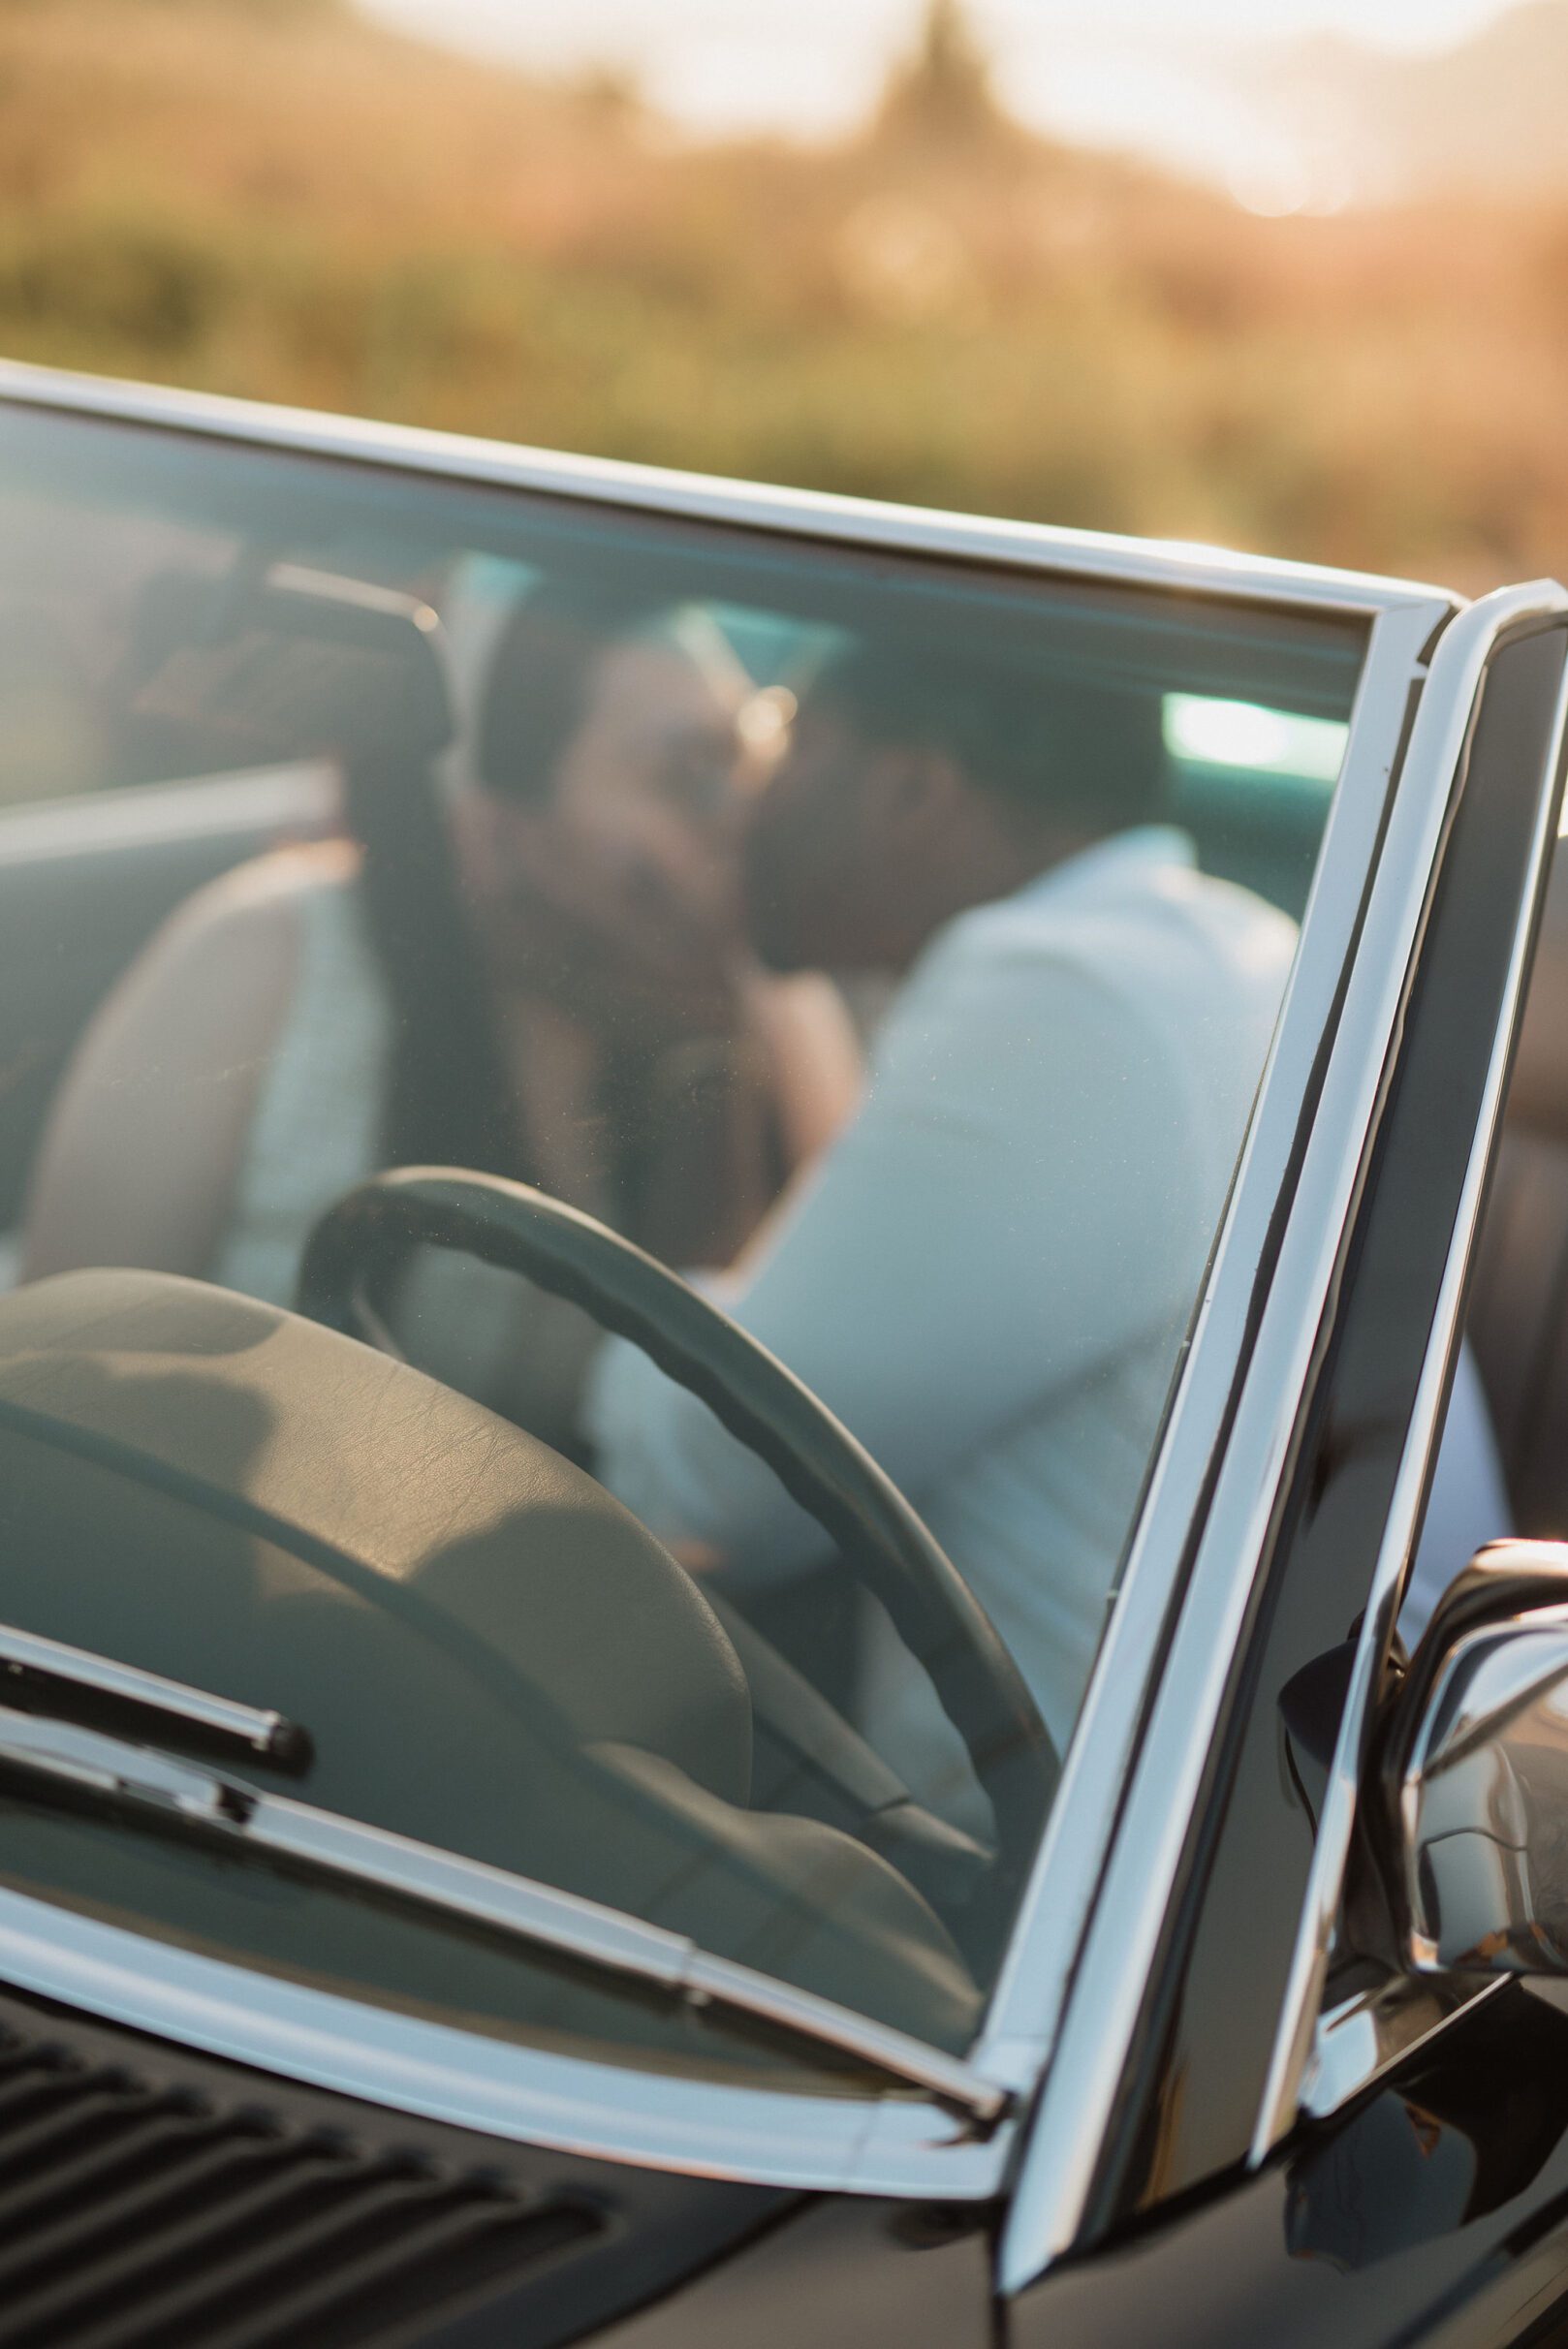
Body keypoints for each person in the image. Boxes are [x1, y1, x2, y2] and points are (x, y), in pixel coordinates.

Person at [580, 631, 1302, 1803]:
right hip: (1231, 1809)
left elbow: (717, 1468)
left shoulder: (1067, 998)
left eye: (789, 745)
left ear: (912, 786)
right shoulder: (1215, 950)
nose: (744, 810)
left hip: (1093, 1885)